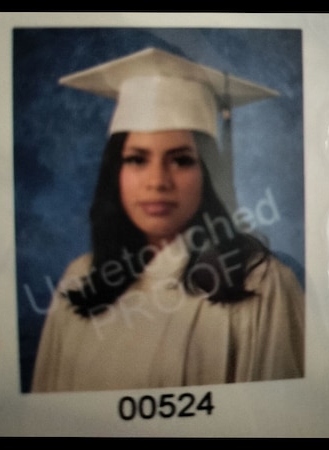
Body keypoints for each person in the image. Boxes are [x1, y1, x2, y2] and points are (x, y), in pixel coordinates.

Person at [31, 48, 304, 392]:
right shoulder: (80, 278)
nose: (157, 181)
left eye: (181, 160)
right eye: (137, 160)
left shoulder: (262, 284)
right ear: (116, 171)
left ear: (208, 172)